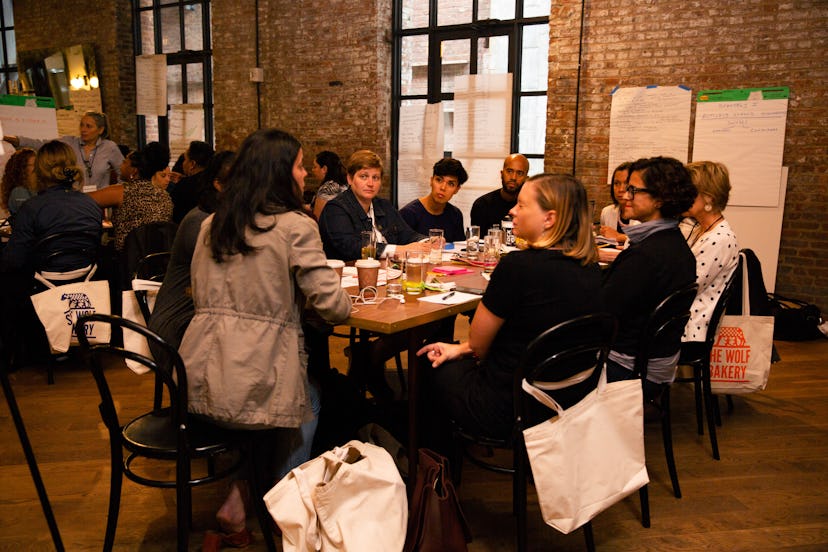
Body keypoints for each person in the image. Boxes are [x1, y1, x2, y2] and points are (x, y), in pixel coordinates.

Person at [176, 129, 351, 545]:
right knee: (306, 399)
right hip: (252, 378)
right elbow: (335, 308)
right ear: (278, 172)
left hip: (197, 376)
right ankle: (282, 506)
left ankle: (239, 498)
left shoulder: (212, 224)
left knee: (270, 395)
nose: (307, 172)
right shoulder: (294, 226)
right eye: (300, 164)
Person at [417, 173, 603, 449]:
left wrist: (462, 349)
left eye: (522, 205)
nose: (512, 211)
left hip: (511, 406)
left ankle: (434, 465)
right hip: (570, 397)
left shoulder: (518, 266)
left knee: (426, 362)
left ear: (549, 218)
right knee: (453, 355)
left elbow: (479, 345)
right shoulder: (591, 266)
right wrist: (460, 348)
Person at [601, 156, 697, 397]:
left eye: (633, 190)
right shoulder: (674, 243)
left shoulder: (648, 255)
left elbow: (602, 314)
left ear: (660, 198)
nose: (624, 195)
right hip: (656, 363)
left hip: (631, 370)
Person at [0, 141, 102, 363]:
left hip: (43, 284)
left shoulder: (32, 208)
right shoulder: (91, 205)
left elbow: (13, 260)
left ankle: (15, 356)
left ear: (39, 171)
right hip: (84, 280)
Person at [148, 150, 235, 354]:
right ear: (218, 184)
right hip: (178, 326)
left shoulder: (221, 217)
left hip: (201, 319)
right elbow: (222, 280)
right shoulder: (202, 221)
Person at [318, 149, 425, 261]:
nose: (370, 184)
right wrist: (397, 250)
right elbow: (351, 247)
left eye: (375, 178)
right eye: (364, 176)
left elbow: (407, 234)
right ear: (350, 179)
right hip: (347, 275)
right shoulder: (335, 209)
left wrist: (427, 242)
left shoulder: (384, 206)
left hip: (386, 273)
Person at [679, 161, 739, 358]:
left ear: (708, 199)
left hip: (690, 328)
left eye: (689, 192)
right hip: (684, 318)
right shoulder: (700, 229)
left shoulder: (719, 239)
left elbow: (687, 288)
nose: (682, 197)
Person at [4, 111, 124, 191]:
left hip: (100, 201)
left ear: (100, 130)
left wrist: (114, 193)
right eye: (81, 125)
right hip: (74, 199)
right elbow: (41, 144)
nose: (83, 130)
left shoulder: (110, 147)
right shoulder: (69, 142)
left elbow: (123, 173)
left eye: (88, 126)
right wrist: (12, 139)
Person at [87, 142, 173, 251]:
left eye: (124, 162)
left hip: (128, 260)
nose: (120, 166)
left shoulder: (123, 191)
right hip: (158, 259)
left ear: (134, 170)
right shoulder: (165, 196)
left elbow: (82, 201)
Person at [400, 157, 468, 242]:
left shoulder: (455, 214)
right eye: (439, 180)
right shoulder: (409, 213)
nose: (443, 188)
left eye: (451, 184)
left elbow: (459, 249)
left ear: (457, 189)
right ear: (431, 181)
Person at [470, 153, 529, 236]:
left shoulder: (531, 208)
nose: (513, 177)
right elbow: (475, 243)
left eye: (519, 173)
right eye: (509, 171)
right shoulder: (482, 205)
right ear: (501, 174)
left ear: (526, 178)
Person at [169, 140, 214, 223]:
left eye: (185, 159)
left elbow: (173, 215)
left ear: (192, 164)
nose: (183, 163)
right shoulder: (215, 182)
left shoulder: (184, 186)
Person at [599, 161, 639, 244]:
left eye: (626, 184)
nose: (621, 189)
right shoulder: (606, 212)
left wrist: (618, 236)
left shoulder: (643, 214)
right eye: (616, 183)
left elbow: (645, 241)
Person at [310, 150, 348, 220]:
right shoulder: (345, 185)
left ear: (324, 169)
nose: (313, 170)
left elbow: (317, 218)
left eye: (315, 167)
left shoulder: (327, 189)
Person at [0, 148, 37, 219]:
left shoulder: (35, 188)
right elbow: (32, 216)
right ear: (22, 168)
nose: (39, 167)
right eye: (34, 164)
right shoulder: (19, 192)